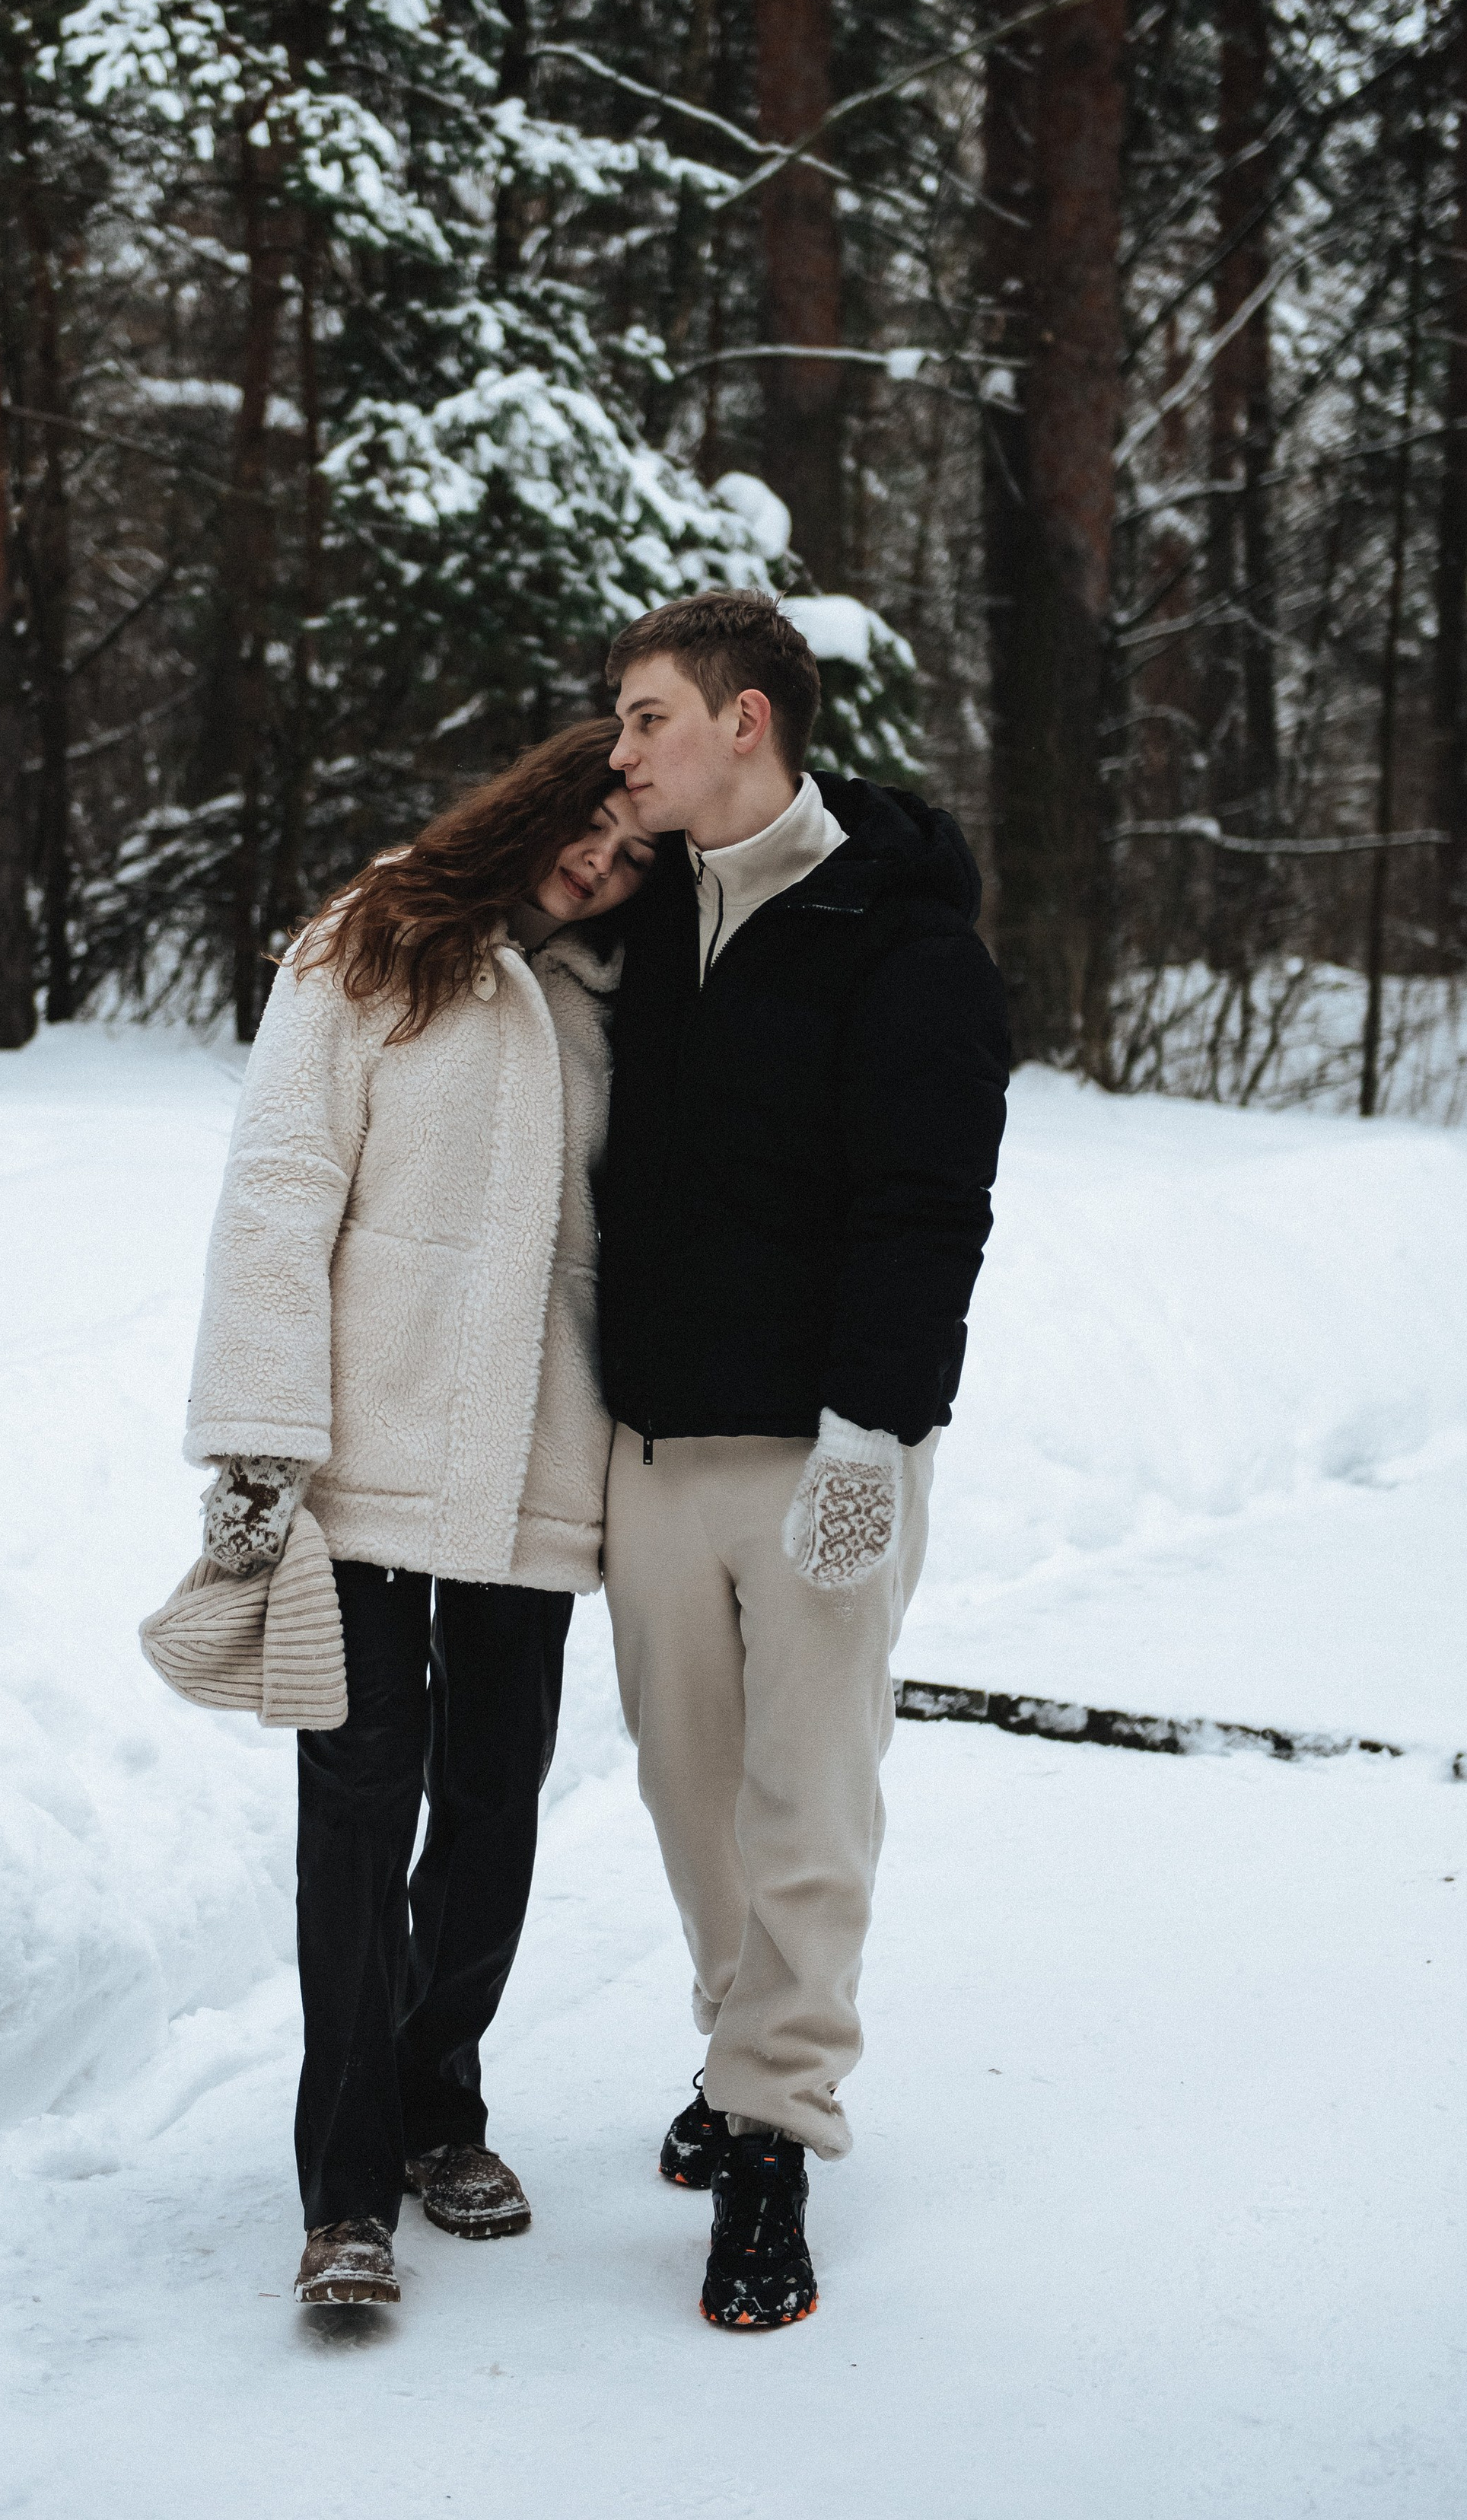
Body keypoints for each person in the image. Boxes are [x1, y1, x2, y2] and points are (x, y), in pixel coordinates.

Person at [182, 722, 657, 2309]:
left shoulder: (621, 1000)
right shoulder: (370, 945)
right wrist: (258, 1441)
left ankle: (440, 2100)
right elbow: (278, 1188)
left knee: (493, 1800)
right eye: (589, 830)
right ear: (533, 804)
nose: (601, 865)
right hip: (370, 1451)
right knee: (358, 1805)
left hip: (536, 1462)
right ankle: (344, 2189)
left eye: (636, 853)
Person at [598, 589, 1010, 2331]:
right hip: (654, 1443)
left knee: (805, 1801)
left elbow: (928, 1209)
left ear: (745, 720)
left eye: (643, 719)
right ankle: (731, 2040)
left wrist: (872, 1432)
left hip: (820, 1451)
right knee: (690, 1795)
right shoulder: (638, 918)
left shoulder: (894, 942)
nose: (617, 753)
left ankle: (770, 2130)